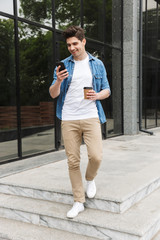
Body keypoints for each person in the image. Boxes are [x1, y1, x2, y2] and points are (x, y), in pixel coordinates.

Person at [49, 26, 111, 218]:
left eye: (75, 43)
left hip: (91, 115)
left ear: (83, 42)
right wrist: (58, 81)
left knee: (96, 156)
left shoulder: (97, 64)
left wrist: (97, 95)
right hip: (68, 118)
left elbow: (107, 90)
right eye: (69, 45)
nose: (72, 48)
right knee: (73, 161)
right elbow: (53, 94)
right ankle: (78, 201)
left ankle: (90, 178)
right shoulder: (63, 66)